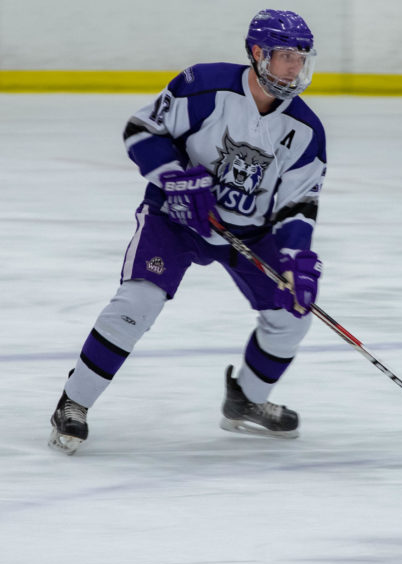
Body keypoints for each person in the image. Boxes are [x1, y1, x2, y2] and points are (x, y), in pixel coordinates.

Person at [48, 9, 327, 455]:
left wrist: (295, 258)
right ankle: (74, 402)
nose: (295, 69)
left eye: (301, 58)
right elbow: (141, 131)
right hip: (175, 218)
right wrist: (175, 177)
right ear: (258, 55)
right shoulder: (204, 86)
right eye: (286, 57)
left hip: (249, 233)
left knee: (291, 315)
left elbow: (299, 202)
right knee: (138, 301)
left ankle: (247, 402)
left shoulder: (306, 130)